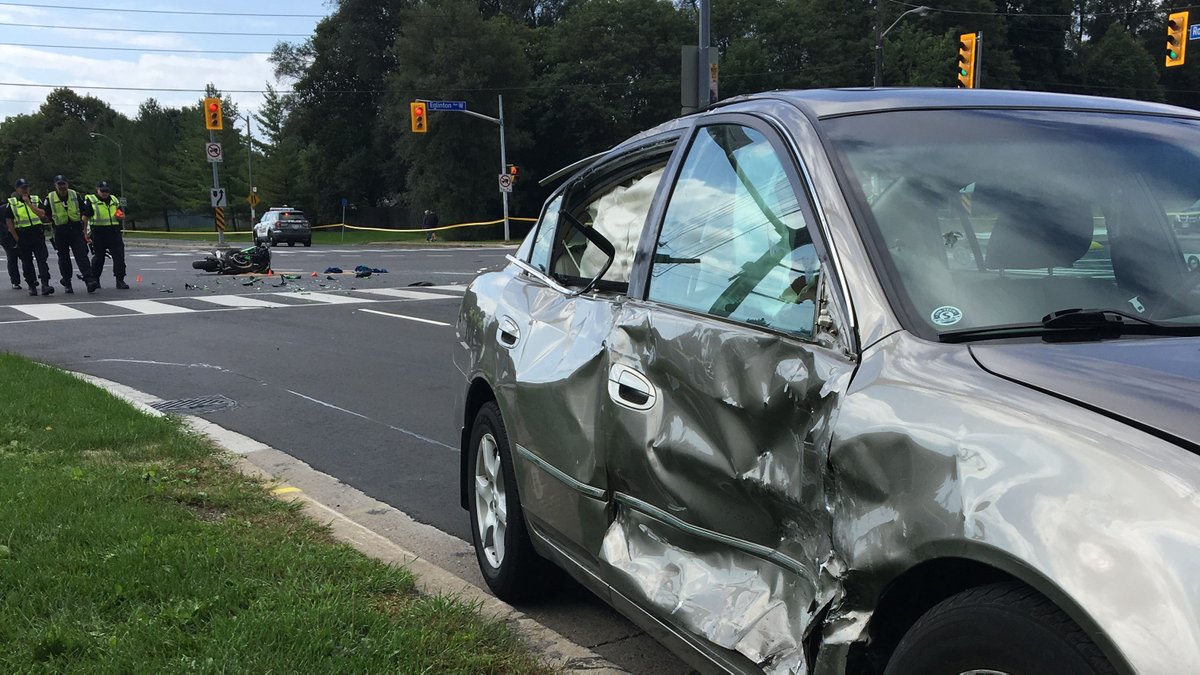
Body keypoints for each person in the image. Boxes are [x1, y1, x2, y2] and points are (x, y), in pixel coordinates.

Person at [45, 175, 98, 294]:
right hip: (60, 231)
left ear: (67, 184)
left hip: (75, 229)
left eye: (63, 184)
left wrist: (83, 222)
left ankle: (89, 280)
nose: (62, 186)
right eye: (59, 184)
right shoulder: (50, 197)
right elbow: (46, 213)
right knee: (64, 258)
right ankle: (67, 282)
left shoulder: (74, 194)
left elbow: (86, 210)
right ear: (55, 186)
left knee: (81, 255)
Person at [5, 178, 53, 296]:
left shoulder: (35, 200)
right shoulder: (12, 204)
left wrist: (29, 203)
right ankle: (32, 285)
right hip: (23, 235)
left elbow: (42, 214)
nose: (25, 190)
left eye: (26, 187)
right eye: (22, 188)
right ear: (17, 190)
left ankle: (45, 284)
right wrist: (16, 238)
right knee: (27, 262)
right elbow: (9, 223)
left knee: (42, 259)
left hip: (37, 233)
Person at [82, 180, 127, 289]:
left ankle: (120, 280)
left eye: (106, 191)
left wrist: (120, 216)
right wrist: (85, 233)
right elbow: (85, 217)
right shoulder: (91, 200)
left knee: (119, 256)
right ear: (97, 190)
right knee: (99, 258)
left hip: (113, 232)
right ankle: (95, 279)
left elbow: (119, 212)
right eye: (102, 191)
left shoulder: (114, 200)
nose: (105, 193)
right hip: (98, 232)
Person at [0, 216, 19, 290]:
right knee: (23, 257)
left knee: (12, 258)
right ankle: (30, 279)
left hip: (5, 236)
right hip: (9, 235)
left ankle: (15, 282)